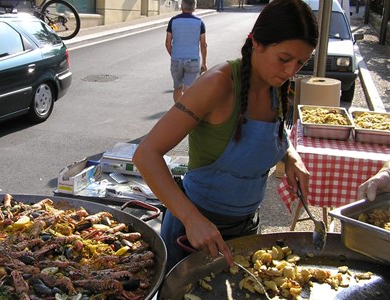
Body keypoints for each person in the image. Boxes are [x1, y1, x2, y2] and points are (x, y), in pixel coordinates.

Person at [133, 0, 318, 271]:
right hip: (192, 233)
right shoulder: (218, 83)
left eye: (301, 62)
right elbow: (146, 154)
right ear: (257, 43)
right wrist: (191, 218)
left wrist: (291, 156)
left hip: (245, 229)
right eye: (284, 58)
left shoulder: (278, 87)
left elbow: (272, 135)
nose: (291, 71)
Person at [165, 0, 207, 102]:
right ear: (194, 8)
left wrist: (173, 55)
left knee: (178, 88)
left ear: (181, 7)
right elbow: (203, 44)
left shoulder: (173, 21)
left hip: (176, 60)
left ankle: (178, 111)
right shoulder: (199, 22)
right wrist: (204, 63)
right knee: (189, 90)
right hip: (193, 60)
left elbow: (167, 43)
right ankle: (187, 114)